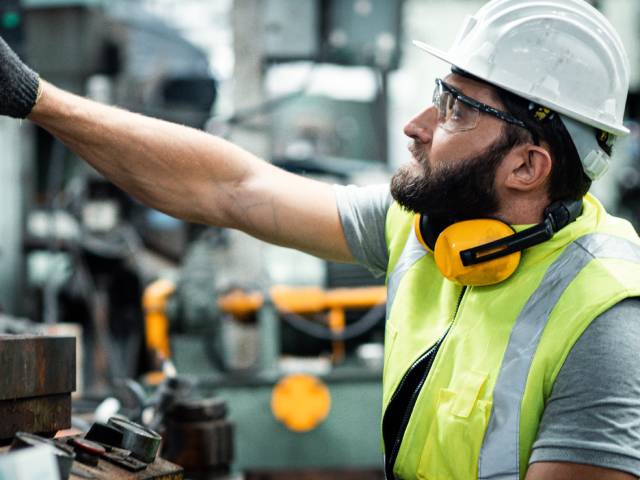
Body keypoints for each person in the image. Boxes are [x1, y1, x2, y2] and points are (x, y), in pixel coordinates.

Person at [1, 0, 639, 478]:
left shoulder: (604, 320)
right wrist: (36, 99)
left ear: (526, 167)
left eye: (455, 111)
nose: (418, 126)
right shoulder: (423, 231)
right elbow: (235, 188)